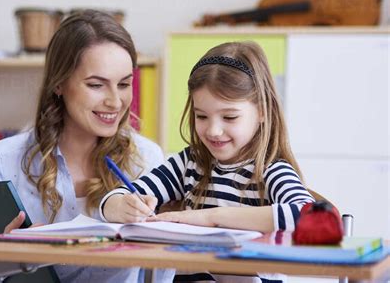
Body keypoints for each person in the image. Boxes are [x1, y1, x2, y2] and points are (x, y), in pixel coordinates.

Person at [0, 9, 174, 282]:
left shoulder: (146, 158)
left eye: (124, 84)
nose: (115, 101)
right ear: (59, 84)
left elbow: (160, 273)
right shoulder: (4, 161)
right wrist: (3, 257)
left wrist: (164, 234)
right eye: (96, 85)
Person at [100, 41, 315, 282]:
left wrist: (208, 218)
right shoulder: (189, 163)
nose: (213, 130)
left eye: (229, 116)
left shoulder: (270, 169)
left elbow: (307, 216)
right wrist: (121, 206)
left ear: (262, 110)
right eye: (201, 116)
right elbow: (112, 199)